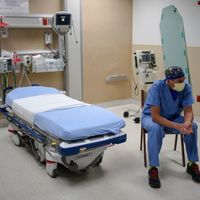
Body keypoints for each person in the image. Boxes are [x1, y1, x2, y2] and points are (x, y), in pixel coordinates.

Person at [141, 66, 200, 189]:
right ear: (169, 81)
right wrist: (177, 126)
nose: (182, 83)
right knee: (156, 128)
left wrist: (187, 123)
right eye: (179, 81)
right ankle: (153, 168)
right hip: (151, 117)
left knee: (193, 126)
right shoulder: (157, 87)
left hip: (172, 117)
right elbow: (155, 117)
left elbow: (188, 111)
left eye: (183, 79)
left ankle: (191, 164)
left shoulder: (186, 87)